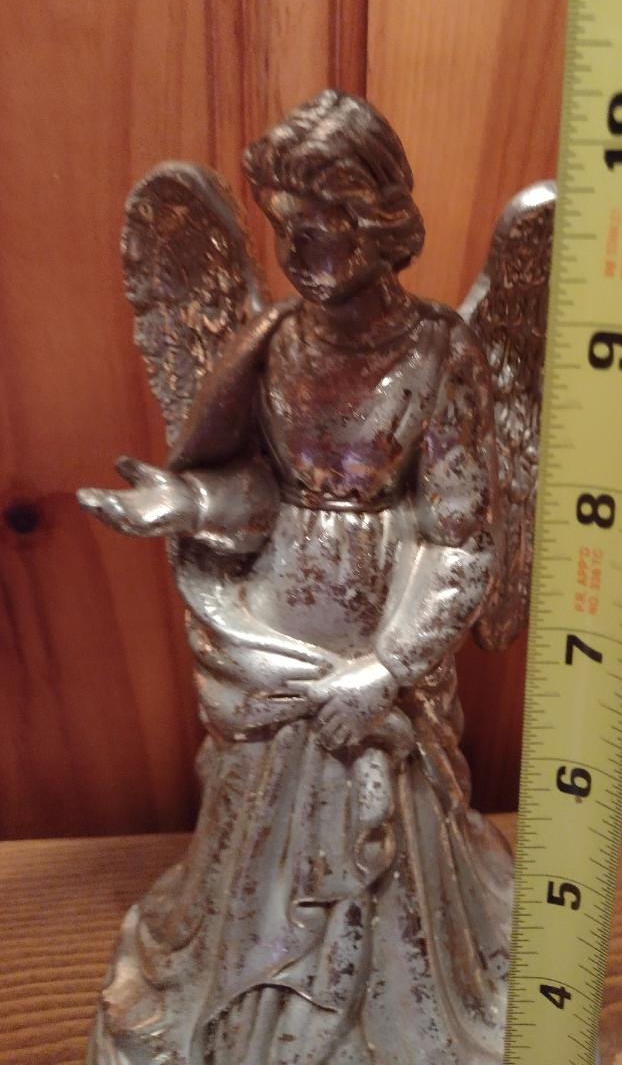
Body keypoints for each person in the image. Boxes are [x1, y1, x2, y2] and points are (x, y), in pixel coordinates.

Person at [80, 91, 513, 1065]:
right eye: (287, 226)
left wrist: (385, 672)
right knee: (255, 838)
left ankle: (390, 1016)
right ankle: (249, 1001)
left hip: (378, 641)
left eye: (325, 222)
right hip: (274, 632)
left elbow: (460, 540)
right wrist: (184, 503)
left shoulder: (441, 352)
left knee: (385, 836)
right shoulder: (276, 343)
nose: (300, 248)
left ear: (378, 217)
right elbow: (260, 491)